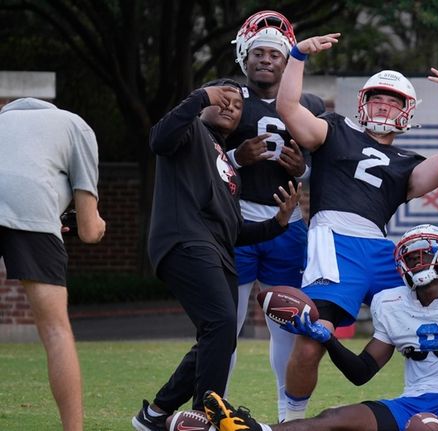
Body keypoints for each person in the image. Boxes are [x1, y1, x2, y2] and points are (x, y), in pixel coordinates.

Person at [275, 33, 438, 420]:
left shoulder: (406, 161)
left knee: (434, 313)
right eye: (377, 98)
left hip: (381, 249)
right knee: (311, 339)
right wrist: (297, 56)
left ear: (407, 112)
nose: (383, 105)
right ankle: (291, 419)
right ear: (362, 103)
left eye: (392, 100)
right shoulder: (334, 129)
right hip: (335, 241)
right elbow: (288, 106)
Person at [203, 224, 438, 431]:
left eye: (424, 255)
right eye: (411, 258)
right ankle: (258, 429)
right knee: (332, 418)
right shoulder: (390, 301)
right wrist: (329, 339)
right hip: (409, 404)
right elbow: (362, 372)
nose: (418, 263)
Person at [131, 79, 301, 431]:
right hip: (185, 241)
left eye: (237, 105)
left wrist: (278, 223)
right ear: (205, 101)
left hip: (217, 250)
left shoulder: (226, 163)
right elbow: (158, 139)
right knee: (222, 324)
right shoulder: (189, 129)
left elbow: (235, 230)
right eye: (222, 99)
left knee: (219, 334)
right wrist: (198, 98)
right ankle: (208, 416)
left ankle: (156, 413)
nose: (230, 106)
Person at [226, 11, 326, 422]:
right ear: (244, 57)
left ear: (288, 62)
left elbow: (323, 166)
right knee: (223, 324)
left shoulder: (309, 103)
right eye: (259, 53)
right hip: (237, 223)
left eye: (275, 54)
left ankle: (289, 415)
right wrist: (236, 156)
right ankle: (215, 404)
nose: (266, 60)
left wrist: (299, 169)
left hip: (287, 224)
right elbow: (201, 158)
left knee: (286, 319)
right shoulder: (226, 96)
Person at [0, 98, 106, 431]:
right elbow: (89, 230)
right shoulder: (75, 125)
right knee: (55, 330)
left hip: (34, 208)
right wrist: (95, 223)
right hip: (33, 207)